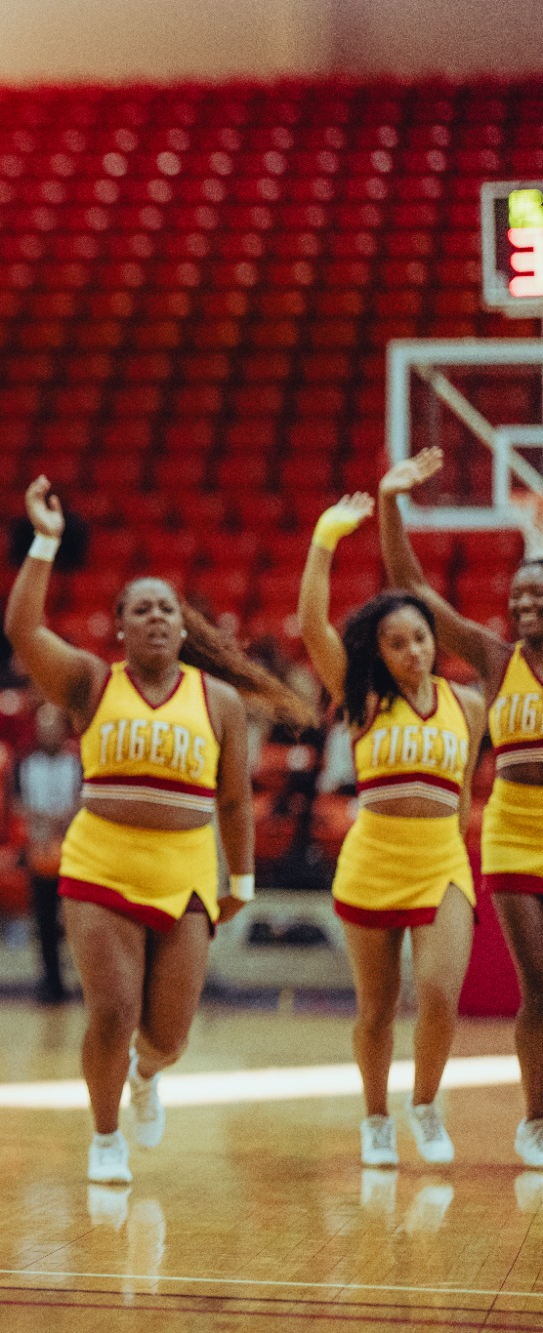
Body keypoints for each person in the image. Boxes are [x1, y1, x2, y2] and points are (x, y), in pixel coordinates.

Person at [5, 475, 308, 1185]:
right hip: (101, 863)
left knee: (168, 1034)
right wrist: (46, 540)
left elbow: (234, 803)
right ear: (120, 625)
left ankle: (147, 1075)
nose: (155, 617)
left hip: (185, 869)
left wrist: (243, 881)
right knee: (112, 1009)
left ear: (184, 623)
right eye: (140, 608)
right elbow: (24, 628)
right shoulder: (88, 681)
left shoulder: (221, 700)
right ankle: (105, 1134)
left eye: (167, 608)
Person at [300, 491, 480, 1167]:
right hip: (373, 857)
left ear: (437, 640)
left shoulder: (469, 703)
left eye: (421, 637)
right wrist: (327, 536)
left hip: (442, 861)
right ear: (377, 650)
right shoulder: (364, 698)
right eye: (396, 640)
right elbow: (311, 621)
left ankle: (425, 1102)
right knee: (376, 1009)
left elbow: (461, 795)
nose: (413, 649)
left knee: (438, 992)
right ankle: (376, 1116)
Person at [377, 447, 543, 1166]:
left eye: (538, 596)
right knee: (539, 982)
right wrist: (389, 505)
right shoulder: (497, 659)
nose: (525, 606)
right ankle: (536, 1120)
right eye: (518, 599)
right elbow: (413, 588)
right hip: (511, 828)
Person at [16, 702, 81, 1004]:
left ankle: (81, 978)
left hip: (74, 855)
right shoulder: (26, 765)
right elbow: (18, 804)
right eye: (44, 728)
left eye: (53, 728)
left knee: (74, 921)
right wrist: (41, 818)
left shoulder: (76, 764)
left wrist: (65, 818)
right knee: (42, 921)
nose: (48, 733)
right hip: (40, 852)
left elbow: (86, 800)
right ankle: (51, 981)